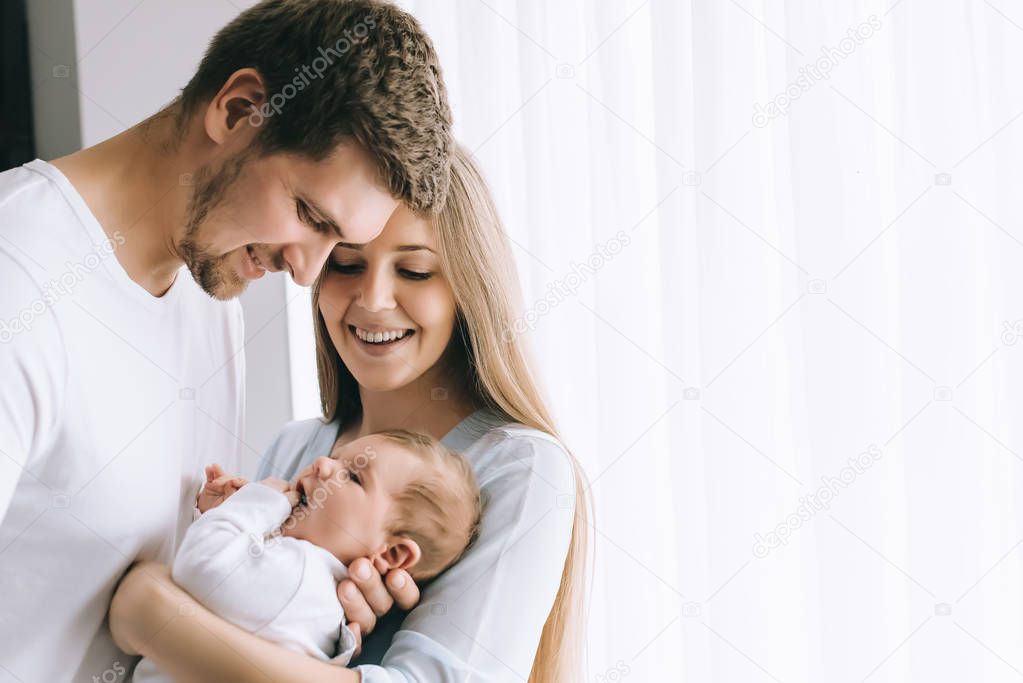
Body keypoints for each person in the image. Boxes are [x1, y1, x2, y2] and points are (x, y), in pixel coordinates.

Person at [0, 1, 452, 679]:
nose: (304, 271)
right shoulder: (19, 281)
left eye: (334, 242)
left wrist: (301, 598)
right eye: (308, 215)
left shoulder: (208, 301)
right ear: (238, 110)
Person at [109, 146, 592, 682]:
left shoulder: (519, 467)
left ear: (468, 289)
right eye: (347, 264)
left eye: (414, 270)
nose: (374, 299)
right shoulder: (295, 450)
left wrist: (147, 611)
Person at [133, 430, 480, 681]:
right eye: (336, 457)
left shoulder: (301, 580)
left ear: (392, 553)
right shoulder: (303, 578)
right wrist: (216, 513)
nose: (323, 465)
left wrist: (255, 503)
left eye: (354, 476)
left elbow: (198, 567)